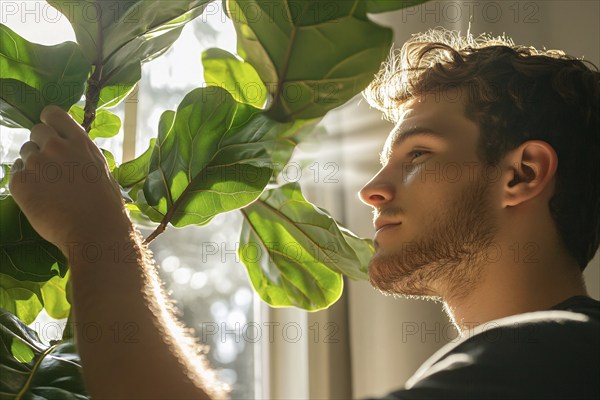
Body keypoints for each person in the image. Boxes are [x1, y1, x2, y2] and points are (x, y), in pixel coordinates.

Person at [8, 28, 599, 399]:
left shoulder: (555, 353)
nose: (373, 188)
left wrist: (97, 232)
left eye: (418, 154)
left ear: (520, 174)